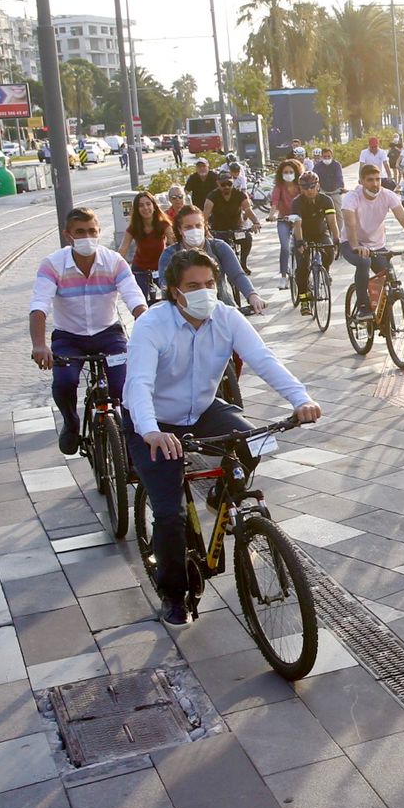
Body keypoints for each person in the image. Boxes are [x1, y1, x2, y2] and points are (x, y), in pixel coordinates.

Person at [124, 248, 322, 625]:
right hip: (153, 422)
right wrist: (150, 431)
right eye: (193, 286)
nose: (204, 292)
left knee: (256, 440)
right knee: (169, 514)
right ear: (174, 291)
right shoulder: (152, 325)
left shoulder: (227, 318)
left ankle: (221, 497)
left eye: (210, 284)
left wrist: (302, 399)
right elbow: (139, 383)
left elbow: (264, 359)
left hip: (201, 410)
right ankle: (174, 592)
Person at [30, 206, 149, 455]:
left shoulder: (114, 262)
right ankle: (71, 422)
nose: (87, 237)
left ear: (99, 232)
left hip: (108, 335)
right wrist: (40, 345)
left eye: (92, 231)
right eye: (80, 232)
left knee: (123, 385)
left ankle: (129, 434)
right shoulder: (52, 264)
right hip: (69, 337)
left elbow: (134, 297)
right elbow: (39, 305)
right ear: (68, 235)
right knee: (65, 381)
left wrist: (148, 325)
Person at [340, 162, 404, 317]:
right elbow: (349, 224)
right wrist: (355, 246)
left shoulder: (388, 195)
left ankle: (386, 322)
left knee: (389, 276)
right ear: (361, 182)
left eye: (378, 179)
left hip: (377, 245)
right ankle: (363, 306)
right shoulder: (351, 198)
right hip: (351, 243)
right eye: (370, 180)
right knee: (363, 261)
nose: (375, 184)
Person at [158, 204, 260, 313]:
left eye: (198, 226)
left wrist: (252, 295)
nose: (194, 230)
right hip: (186, 313)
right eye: (188, 227)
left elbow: (237, 275)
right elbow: (165, 284)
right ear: (179, 230)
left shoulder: (219, 247)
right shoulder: (169, 254)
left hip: (222, 310)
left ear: (205, 226)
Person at [289, 171, 339, 302]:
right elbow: (297, 224)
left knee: (329, 252)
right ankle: (304, 298)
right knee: (302, 267)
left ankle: (326, 271)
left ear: (318, 185)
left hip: (320, 233)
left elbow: (332, 222)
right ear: (300, 188)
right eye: (305, 188)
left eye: (312, 186)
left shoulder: (326, 200)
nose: (309, 190)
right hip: (302, 234)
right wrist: (299, 242)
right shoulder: (297, 202)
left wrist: (336, 239)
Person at [206, 171, 261, 271]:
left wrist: (256, 222)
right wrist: (205, 230)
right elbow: (205, 215)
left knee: (247, 239)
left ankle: (243, 264)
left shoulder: (239, 194)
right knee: (216, 248)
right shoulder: (212, 196)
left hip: (237, 229)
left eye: (229, 184)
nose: (226, 187)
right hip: (219, 231)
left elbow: (248, 209)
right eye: (223, 184)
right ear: (218, 183)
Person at [122, 191, 170, 300]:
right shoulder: (133, 228)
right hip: (140, 269)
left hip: (161, 268)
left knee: (171, 298)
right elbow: (122, 249)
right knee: (140, 300)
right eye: (141, 205)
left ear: (154, 206)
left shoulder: (164, 225)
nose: (145, 208)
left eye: (148, 204)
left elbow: (174, 244)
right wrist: (114, 267)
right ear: (137, 210)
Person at [269, 158, 305, 282]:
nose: (288, 174)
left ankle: (302, 271)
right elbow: (274, 202)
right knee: (285, 247)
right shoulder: (279, 187)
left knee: (299, 246)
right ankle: (283, 276)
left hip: (298, 220)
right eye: (285, 172)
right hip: (283, 220)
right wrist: (271, 215)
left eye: (291, 172)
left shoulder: (300, 186)